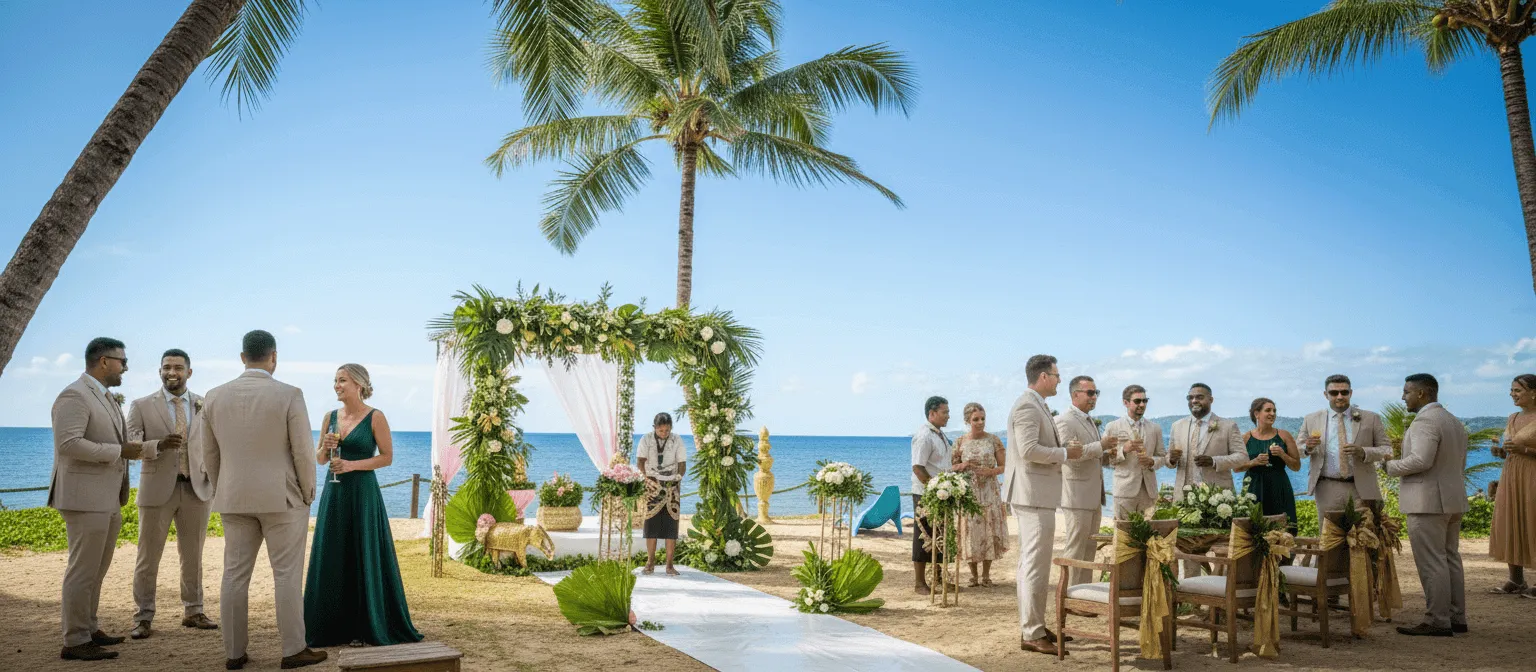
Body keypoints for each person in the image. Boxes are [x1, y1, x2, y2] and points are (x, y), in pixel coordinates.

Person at [202, 330, 327, 669]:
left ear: (242, 357)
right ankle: (293, 650)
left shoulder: (213, 396)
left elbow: (208, 453)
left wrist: (220, 487)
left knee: (233, 575)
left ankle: (233, 653)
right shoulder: (289, 394)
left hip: (233, 497)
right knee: (286, 574)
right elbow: (302, 449)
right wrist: (307, 491)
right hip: (282, 498)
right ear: (274, 356)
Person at [304, 364, 423, 647]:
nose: (336, 385)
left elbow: (387, 457)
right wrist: (325, 448)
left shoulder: (375, 417)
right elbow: (320, 459)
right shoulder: (329, 417)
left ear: (358, 384)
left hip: (363, 494)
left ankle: (365, 626)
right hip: (334, 495)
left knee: (363, 552)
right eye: (335, 380)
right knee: (333, 552)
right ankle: (330, 627)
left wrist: (351, 465)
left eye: (342, 380)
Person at [49, 337, 143, 661]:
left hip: (106, 498)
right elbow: (69, 444)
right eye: (122, 360)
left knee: (96, 570)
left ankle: (89, 627)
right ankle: (74, 640)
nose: (126, 367)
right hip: (84, 498)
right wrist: (119, 451)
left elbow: (118, 442)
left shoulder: (105, 397)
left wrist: (151, 447)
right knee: (82, 570)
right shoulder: (74, 395)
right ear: (104, 361)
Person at [127, 349, 218, 640]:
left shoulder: (206, 404)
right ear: (159, 371)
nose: (171, 372)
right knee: (147, 557)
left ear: (189, 372)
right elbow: (130, 446)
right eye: (166, 367)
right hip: (156, 490)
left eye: (178, 367)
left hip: (196, 488)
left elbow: (215, 444)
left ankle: (193, 611)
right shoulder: (141, 405)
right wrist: (158, 445)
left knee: (193, 556)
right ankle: (143, 617)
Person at [1003, 354, 1084, 655]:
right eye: (1057, 375)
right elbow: (1028, 450)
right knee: (1034, 566)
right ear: (1043, 376)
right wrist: (1065, 454)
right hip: (1033, 496)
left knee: (1030, 564)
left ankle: (1033, 624)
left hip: (1034, 495)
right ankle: (1033, 633)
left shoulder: (1035, 404)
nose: (1060, 380)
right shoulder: (1026, 404)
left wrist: (1062, 451)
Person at [1386, 373, 1469, 637]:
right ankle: (1457, 617)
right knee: (1451, 559)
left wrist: (1389, 466)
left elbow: (1421, 460)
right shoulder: (1453, 421)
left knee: (1432, 562)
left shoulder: (1425, 421)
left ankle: (1437, 620)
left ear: (1422, 393)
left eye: (1406, 391)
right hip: (1453, 499)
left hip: (1427, 502)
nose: (1402, 397)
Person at [1298, 374, 1393, 533]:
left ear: (1351, 392)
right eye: (1334, 393)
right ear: (1325, 395)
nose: (1340, 396)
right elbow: (1298, 450)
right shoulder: (1311, 419)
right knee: (1330, 539)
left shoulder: (1371, 418)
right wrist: (1307, 448)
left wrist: (1363, 451)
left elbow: (1387, 450)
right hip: (1327, 487)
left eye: (1344, 392)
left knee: (1366, 538)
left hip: (1361, 487)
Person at [1053, 376, 1116, 586]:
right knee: (1076, 547)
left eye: (1096, 393)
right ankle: (1069, 593)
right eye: (1090, 393)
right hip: (1076, 494)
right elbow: (1069, 454)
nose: (1094, 397)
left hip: (1093, 494)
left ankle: (1083, 593)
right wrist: (1101, 445)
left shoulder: (1088, 420)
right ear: (1074, 394)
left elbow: (1092, 454)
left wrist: (1109, 453)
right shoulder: (1064, 420)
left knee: (1089, 548)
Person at [950, 402, 1008, 586]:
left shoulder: (994, 440)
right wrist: (962, 466)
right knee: (971, 531)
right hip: (968, 492)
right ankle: (973, 575)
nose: (980, 422)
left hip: (989, 490)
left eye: (983, 418)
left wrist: (989, 472)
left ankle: (986, 575)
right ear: (968, 420)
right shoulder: (960, 442)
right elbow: (951, 468)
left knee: (988, 529)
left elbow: (1005, 466)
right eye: (976, 419)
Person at [1489, 373, 1536, 597]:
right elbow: (1510, 450)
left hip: (1533, 476)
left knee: (1533, 522)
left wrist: (1526, 451)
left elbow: (1522, 449)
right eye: (1511, 390)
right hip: (1512, 475)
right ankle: (1516, 580)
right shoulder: (1513, 418)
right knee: (1511, 520)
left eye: (1517, 390)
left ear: (1534, 393)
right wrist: (1500, 452)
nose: (1512, 394)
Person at [1235, 398, 1300, 533]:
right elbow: (1236, 468)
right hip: (1254, 487)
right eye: (1268, 410)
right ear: (1256, 414)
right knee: (1254, 530)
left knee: (1284, 529)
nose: (1272, 414)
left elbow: (1296, 466)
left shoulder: (1284, 436)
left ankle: (1285, 554)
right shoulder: (1246, 438)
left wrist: (1283, 455)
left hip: (1279, 487)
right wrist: (1254, 462)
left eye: (1274, 411)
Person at [1168, 383, 1246, 492]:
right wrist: (1171, 459)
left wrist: (1214, 461)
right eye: (1190, 398)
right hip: (1183, 494)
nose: (1194, 401)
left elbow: (1242, 457)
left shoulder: (1228, 426)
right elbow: (1169, 459)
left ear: (1211, 399)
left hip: (1217, 495)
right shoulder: (1177, 426)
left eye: (1199, 397)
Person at [910, 396, 952, 595]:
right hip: (926, 494)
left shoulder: (940, 435)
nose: (948, 416)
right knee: (923, 535)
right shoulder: (924, 435)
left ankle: (938, 578)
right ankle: (919, 583)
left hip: (943, 493)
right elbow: (918, 467)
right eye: (944, 412)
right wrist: (933, 489)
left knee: (941, 535)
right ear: (932, 413)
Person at [1103, 385, 1164, 519]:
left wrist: (1152, 461)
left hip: (1149, 491)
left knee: (1149, 535)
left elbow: (1162, 456)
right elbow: (1104, 459)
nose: (1142, 404)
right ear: (1125, 402)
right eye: (1137, 401)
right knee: (1123, 534)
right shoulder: (1112, 427)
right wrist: (1123, 450)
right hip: (1124, 491)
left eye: (1145, 401)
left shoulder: (1155, 428)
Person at [637, 412, 686, 575]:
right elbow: (640, 462)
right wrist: (646, 479)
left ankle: (669, 565)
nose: (664, 434)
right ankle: (650, 563)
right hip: (652, 484)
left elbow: (682, 463)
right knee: (651, 524)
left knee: (671, 525)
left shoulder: (677, 439)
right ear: (654, 428)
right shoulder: (645, 439)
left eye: (667, 430)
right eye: (661, 431)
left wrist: (678, 477)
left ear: (671, 428)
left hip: (672, 484)